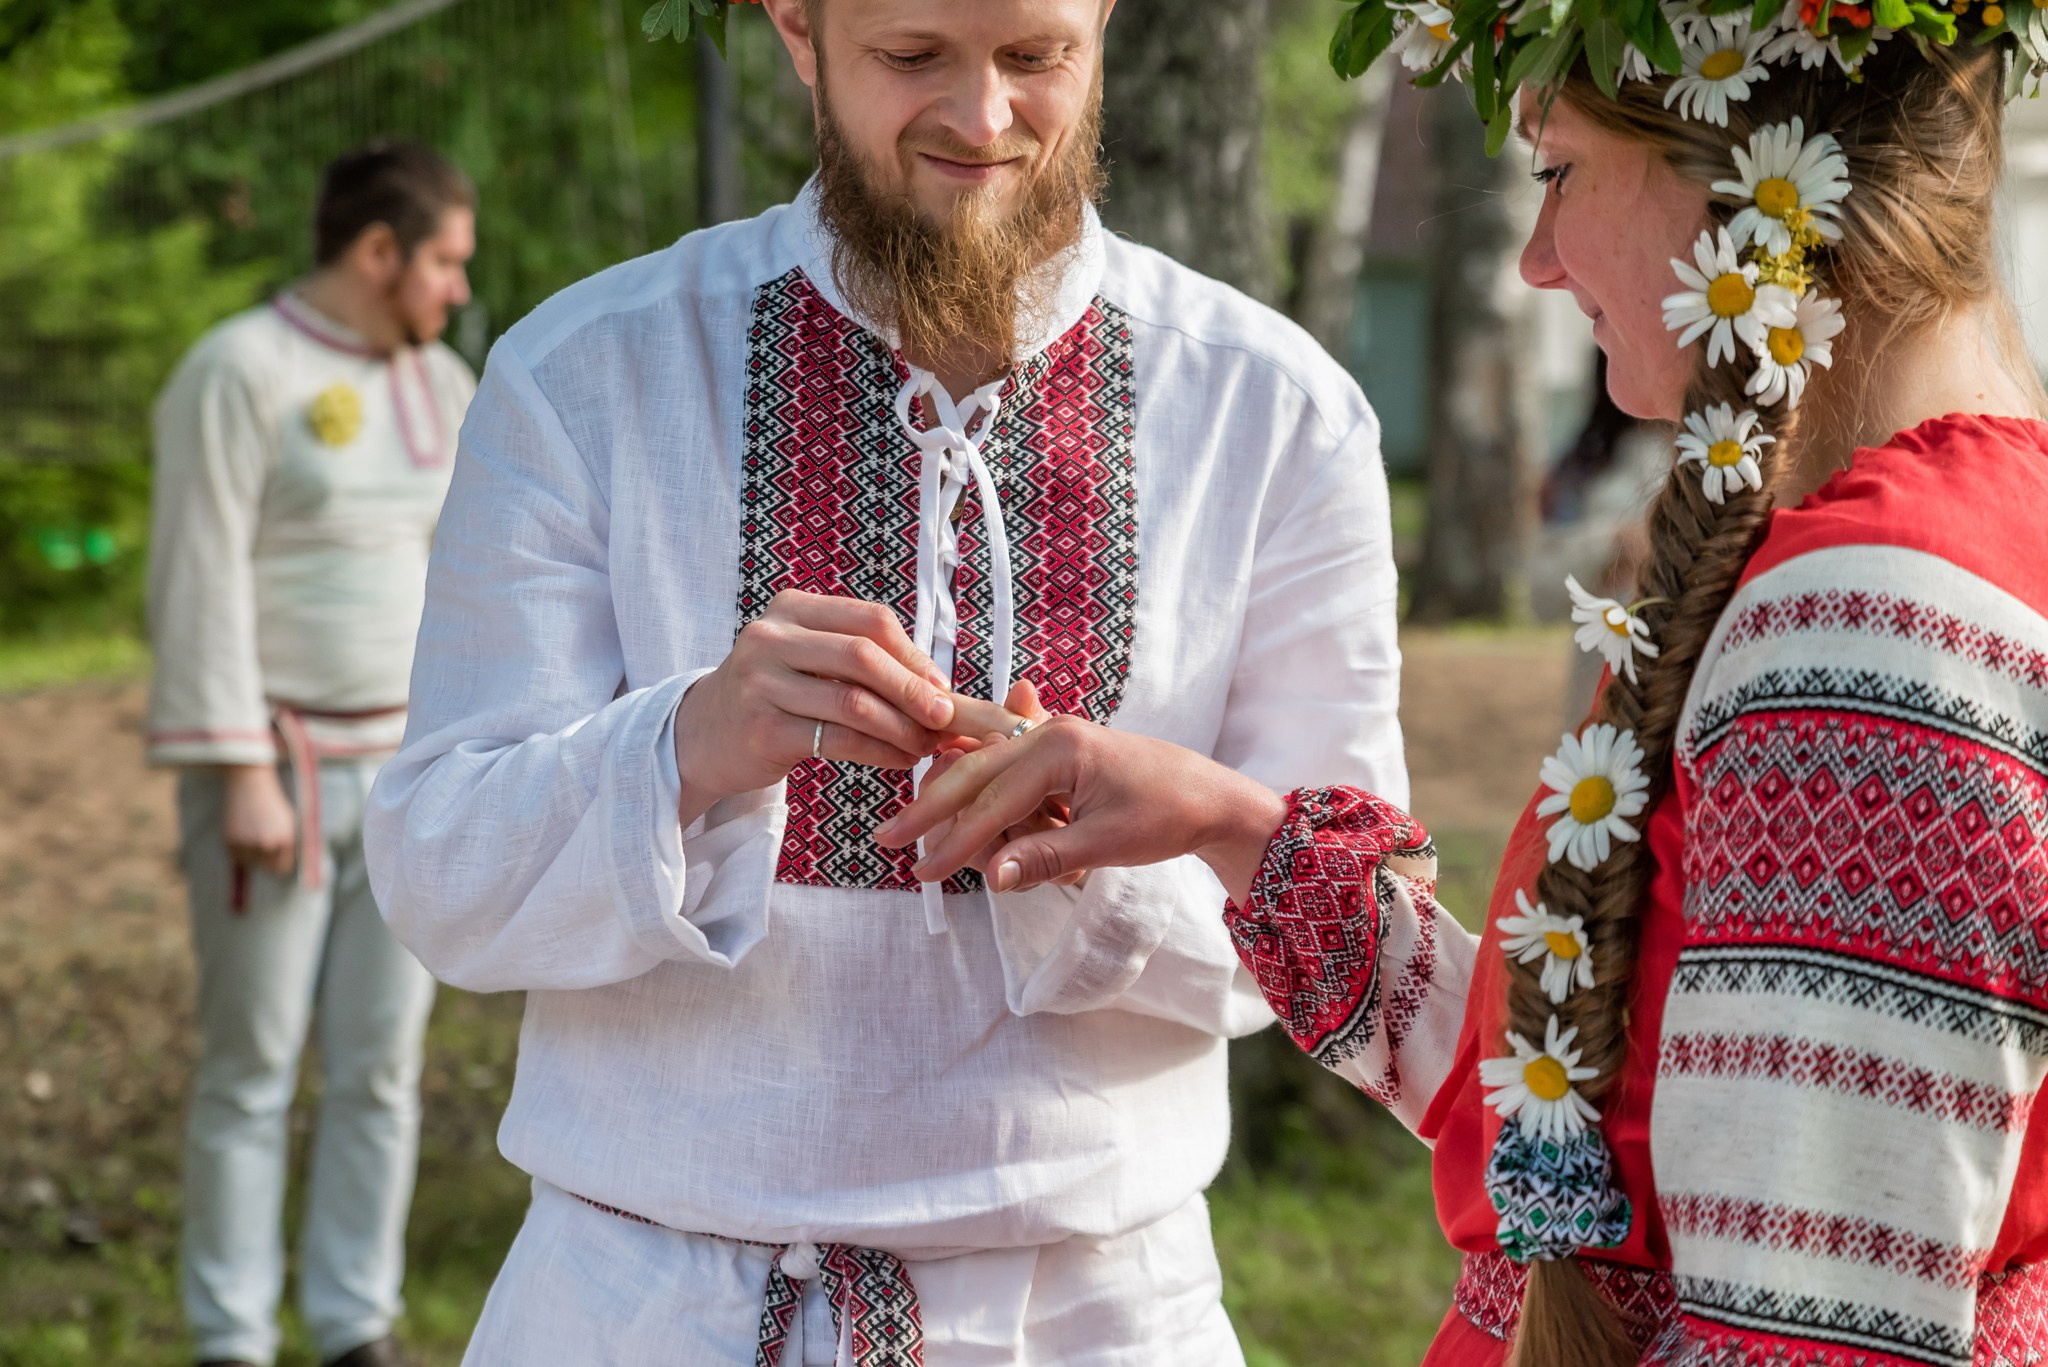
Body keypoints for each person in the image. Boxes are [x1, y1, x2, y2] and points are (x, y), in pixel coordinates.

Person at [887, 10, 2048, 1364]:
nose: (1536, 259)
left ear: (1742, 176)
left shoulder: (1873, 644)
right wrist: (1215, 820)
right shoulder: (1909, 551)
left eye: (1557, 170)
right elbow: (1594, 1128)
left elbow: (1815, 1334)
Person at [361, 0, 1408, 1361]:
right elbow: (444, 874)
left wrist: (1111, 849)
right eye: (913, 57)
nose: (982, 120)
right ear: (798, 30)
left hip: (1092, 1311)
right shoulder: (587, 371)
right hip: (647, 1303)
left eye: (1037, 59)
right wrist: (688, 747)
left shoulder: (1273, 409)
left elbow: (1348, 926)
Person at [146, 140, 478, 1367]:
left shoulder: (443, 385)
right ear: (376, 250)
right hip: (273, 772)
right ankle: (231, 1336)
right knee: (253, 1064)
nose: (455, 289)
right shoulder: (239, 371)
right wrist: (236, 769)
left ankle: (353, 1321)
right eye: (442, 262)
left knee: (382, 1065)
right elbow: (197, 577)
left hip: (406, 774)